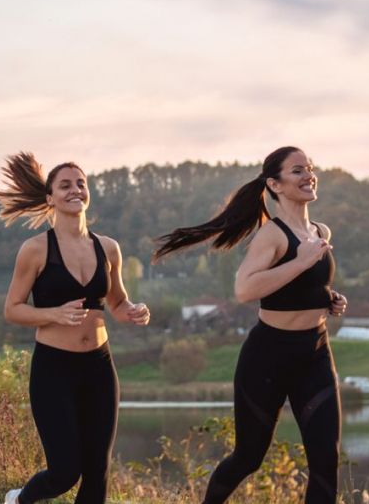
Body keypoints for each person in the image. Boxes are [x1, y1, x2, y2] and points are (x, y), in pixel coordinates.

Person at [153, 146, 347, 504]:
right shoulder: (271, 235)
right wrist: (302, 263)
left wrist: (329, 298)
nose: (308, 175)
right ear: (274, 184)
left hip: (316, 354)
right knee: (248, 457)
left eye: (310, 168)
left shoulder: (321, 231)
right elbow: (244, 289)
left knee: (326, 459)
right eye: (297, 170)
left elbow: (303, 286)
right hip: (268, 358)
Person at [0, 152, 150, 504]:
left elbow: (117, 303)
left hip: (98, 365)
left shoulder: (108, 248)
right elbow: (12, 310)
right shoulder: (35, 250)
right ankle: (18, 500)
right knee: (65, 471)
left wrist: (135, 311)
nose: (75, 190)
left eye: (81, 183)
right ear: (50, 197)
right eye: (65, 185)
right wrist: (52, 314)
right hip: (54, 368)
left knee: (98, 471)